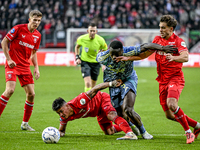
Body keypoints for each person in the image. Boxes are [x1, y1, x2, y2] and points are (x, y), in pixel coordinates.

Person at [115, 15, 200, 144]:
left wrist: (173, 58)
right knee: (169, 115)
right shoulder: (157, 40)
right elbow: (145, 54)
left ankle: (188, 132)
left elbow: (185, 57)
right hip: (162, 81)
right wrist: (128, 58)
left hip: (175, 78)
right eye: (160, 27)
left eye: (163, 28)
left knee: (172, 104)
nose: (160, 30)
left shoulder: (178, 41)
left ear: (171, 29)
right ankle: (197, 126)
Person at [96, 40, 178, 139]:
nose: (114, 57)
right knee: (120, 113)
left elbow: (146, 45)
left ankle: (144, 132)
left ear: (122, 51)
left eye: (116, 54)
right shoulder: (102, 57)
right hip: (114, 83)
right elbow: (98, 56)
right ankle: (132, 126)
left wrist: (163, 48)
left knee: (128, 109)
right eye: (112, 54)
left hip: (128, 79)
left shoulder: (129, 51)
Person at [52, 79, 138, 140]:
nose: (61, 115)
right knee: (109, 131)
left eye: (61, 111)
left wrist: (111, 83)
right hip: (98, 112)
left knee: (111, 115)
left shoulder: (80, 101)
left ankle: (130, 134)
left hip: (102, 100)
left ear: (67, 106)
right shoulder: (64, 117)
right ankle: (131, 122)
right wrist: (57, 134)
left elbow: (95, 89)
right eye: (58, 113)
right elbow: (61, 131)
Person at [0, 10, 42, 131]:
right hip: (12, 64)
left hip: (25, 67)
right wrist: (8, 59)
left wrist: (36, 68)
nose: (37, 22)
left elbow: (34, 53)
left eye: (39, 21)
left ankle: (25, 124)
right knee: (10, 90)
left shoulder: (37, 35)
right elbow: (4, 41)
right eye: (35, 20)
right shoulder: (18, 28)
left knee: (31, 94)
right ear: (29, 19)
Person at [75, 22, 108, 92]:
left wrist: (104, 64)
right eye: (91, 31)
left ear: (96, 31)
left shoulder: (101, 40)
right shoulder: (82, 38)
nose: (92, 32)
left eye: (94, 31)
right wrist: (77, 57)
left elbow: (106, 51)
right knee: (87, 83)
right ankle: (87, 101)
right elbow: (77, 47)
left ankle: (91, 101)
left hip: (96, 63)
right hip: (85, 62)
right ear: (87, 31)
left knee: (93, 86)